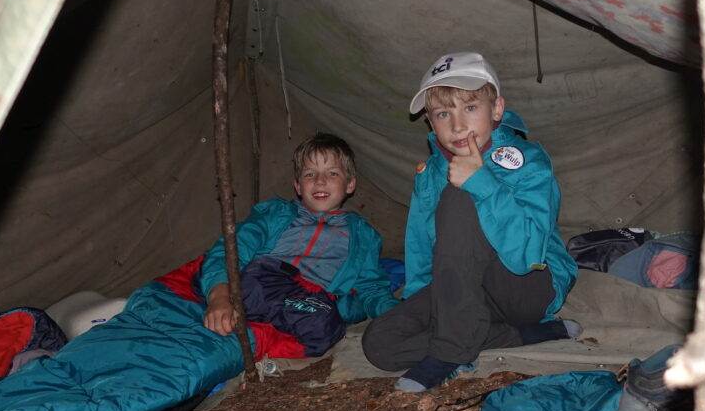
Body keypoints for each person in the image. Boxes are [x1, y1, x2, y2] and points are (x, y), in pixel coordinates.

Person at [362, 51, 579, 391]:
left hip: (527, 285)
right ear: (430, 122)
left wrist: (481, 182)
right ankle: (519, 336)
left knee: (460, 196)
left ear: (497, 109)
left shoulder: (528, 162)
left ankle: (452, 351)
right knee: (380, 342)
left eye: (471, 107)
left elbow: (528, 254)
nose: (457, 125)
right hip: (467, 296)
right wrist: (429, 304)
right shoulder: (430, 174)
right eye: (443, 113)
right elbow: (421, 248)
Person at [200, 132, 398, 357]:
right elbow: (234, 247)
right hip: (265, 280)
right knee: (251, 285)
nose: (320, 181)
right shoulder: (276, 214)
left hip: (308, 300)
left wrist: (397, 313)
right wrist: (220, 296)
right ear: (298, 185)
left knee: (326, 325)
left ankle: (264, 342)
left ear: (350, 184)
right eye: (310, 174)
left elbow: (372, 287)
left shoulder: (363, 236)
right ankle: (250, 324)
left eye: (332, 173)